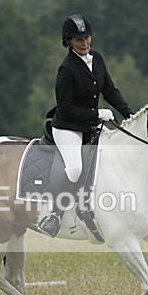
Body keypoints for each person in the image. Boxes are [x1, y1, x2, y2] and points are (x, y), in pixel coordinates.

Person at [38, 14, 134, 237]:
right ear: (68, 42)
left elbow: (109, 90)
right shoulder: (66, 69)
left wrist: (130, 115)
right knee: (75, 169)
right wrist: (97, 113)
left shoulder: (97, 59)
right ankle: (54, 214)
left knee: (113, 160)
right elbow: (66, 107)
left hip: (91, 126)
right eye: (79, 40)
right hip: (67, 128)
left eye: (87, 38)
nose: (85, 43)